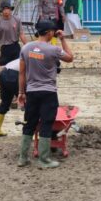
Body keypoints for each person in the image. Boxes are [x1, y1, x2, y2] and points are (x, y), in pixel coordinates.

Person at [17, 20, 74, 169]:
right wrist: (63, 39)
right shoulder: (53, 49)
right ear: (49, 32)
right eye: (53, 31)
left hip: (31, 92)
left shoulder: (26, 48)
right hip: (48, 92)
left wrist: (21, 92)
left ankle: (23, 158)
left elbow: (22, 73)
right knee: (47, 124)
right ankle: (44, 160)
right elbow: (70, 57)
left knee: (29, 123)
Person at [0, 0, 27, 66]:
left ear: (10, 9)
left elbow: (21, 34)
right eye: (4, 9)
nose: (6, 11)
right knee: (5, 67)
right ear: (1, 11)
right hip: (5, 48)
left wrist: (27, 46)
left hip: (16, 46)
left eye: (7, 9)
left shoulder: (17, 20)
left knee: (18, 66)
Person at [0, 58, 20, 137]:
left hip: (3, 74)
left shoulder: (22, 57)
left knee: (5, 102)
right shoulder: (35, 60)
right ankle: (32, 131)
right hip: (14, 75)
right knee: (29, 103)